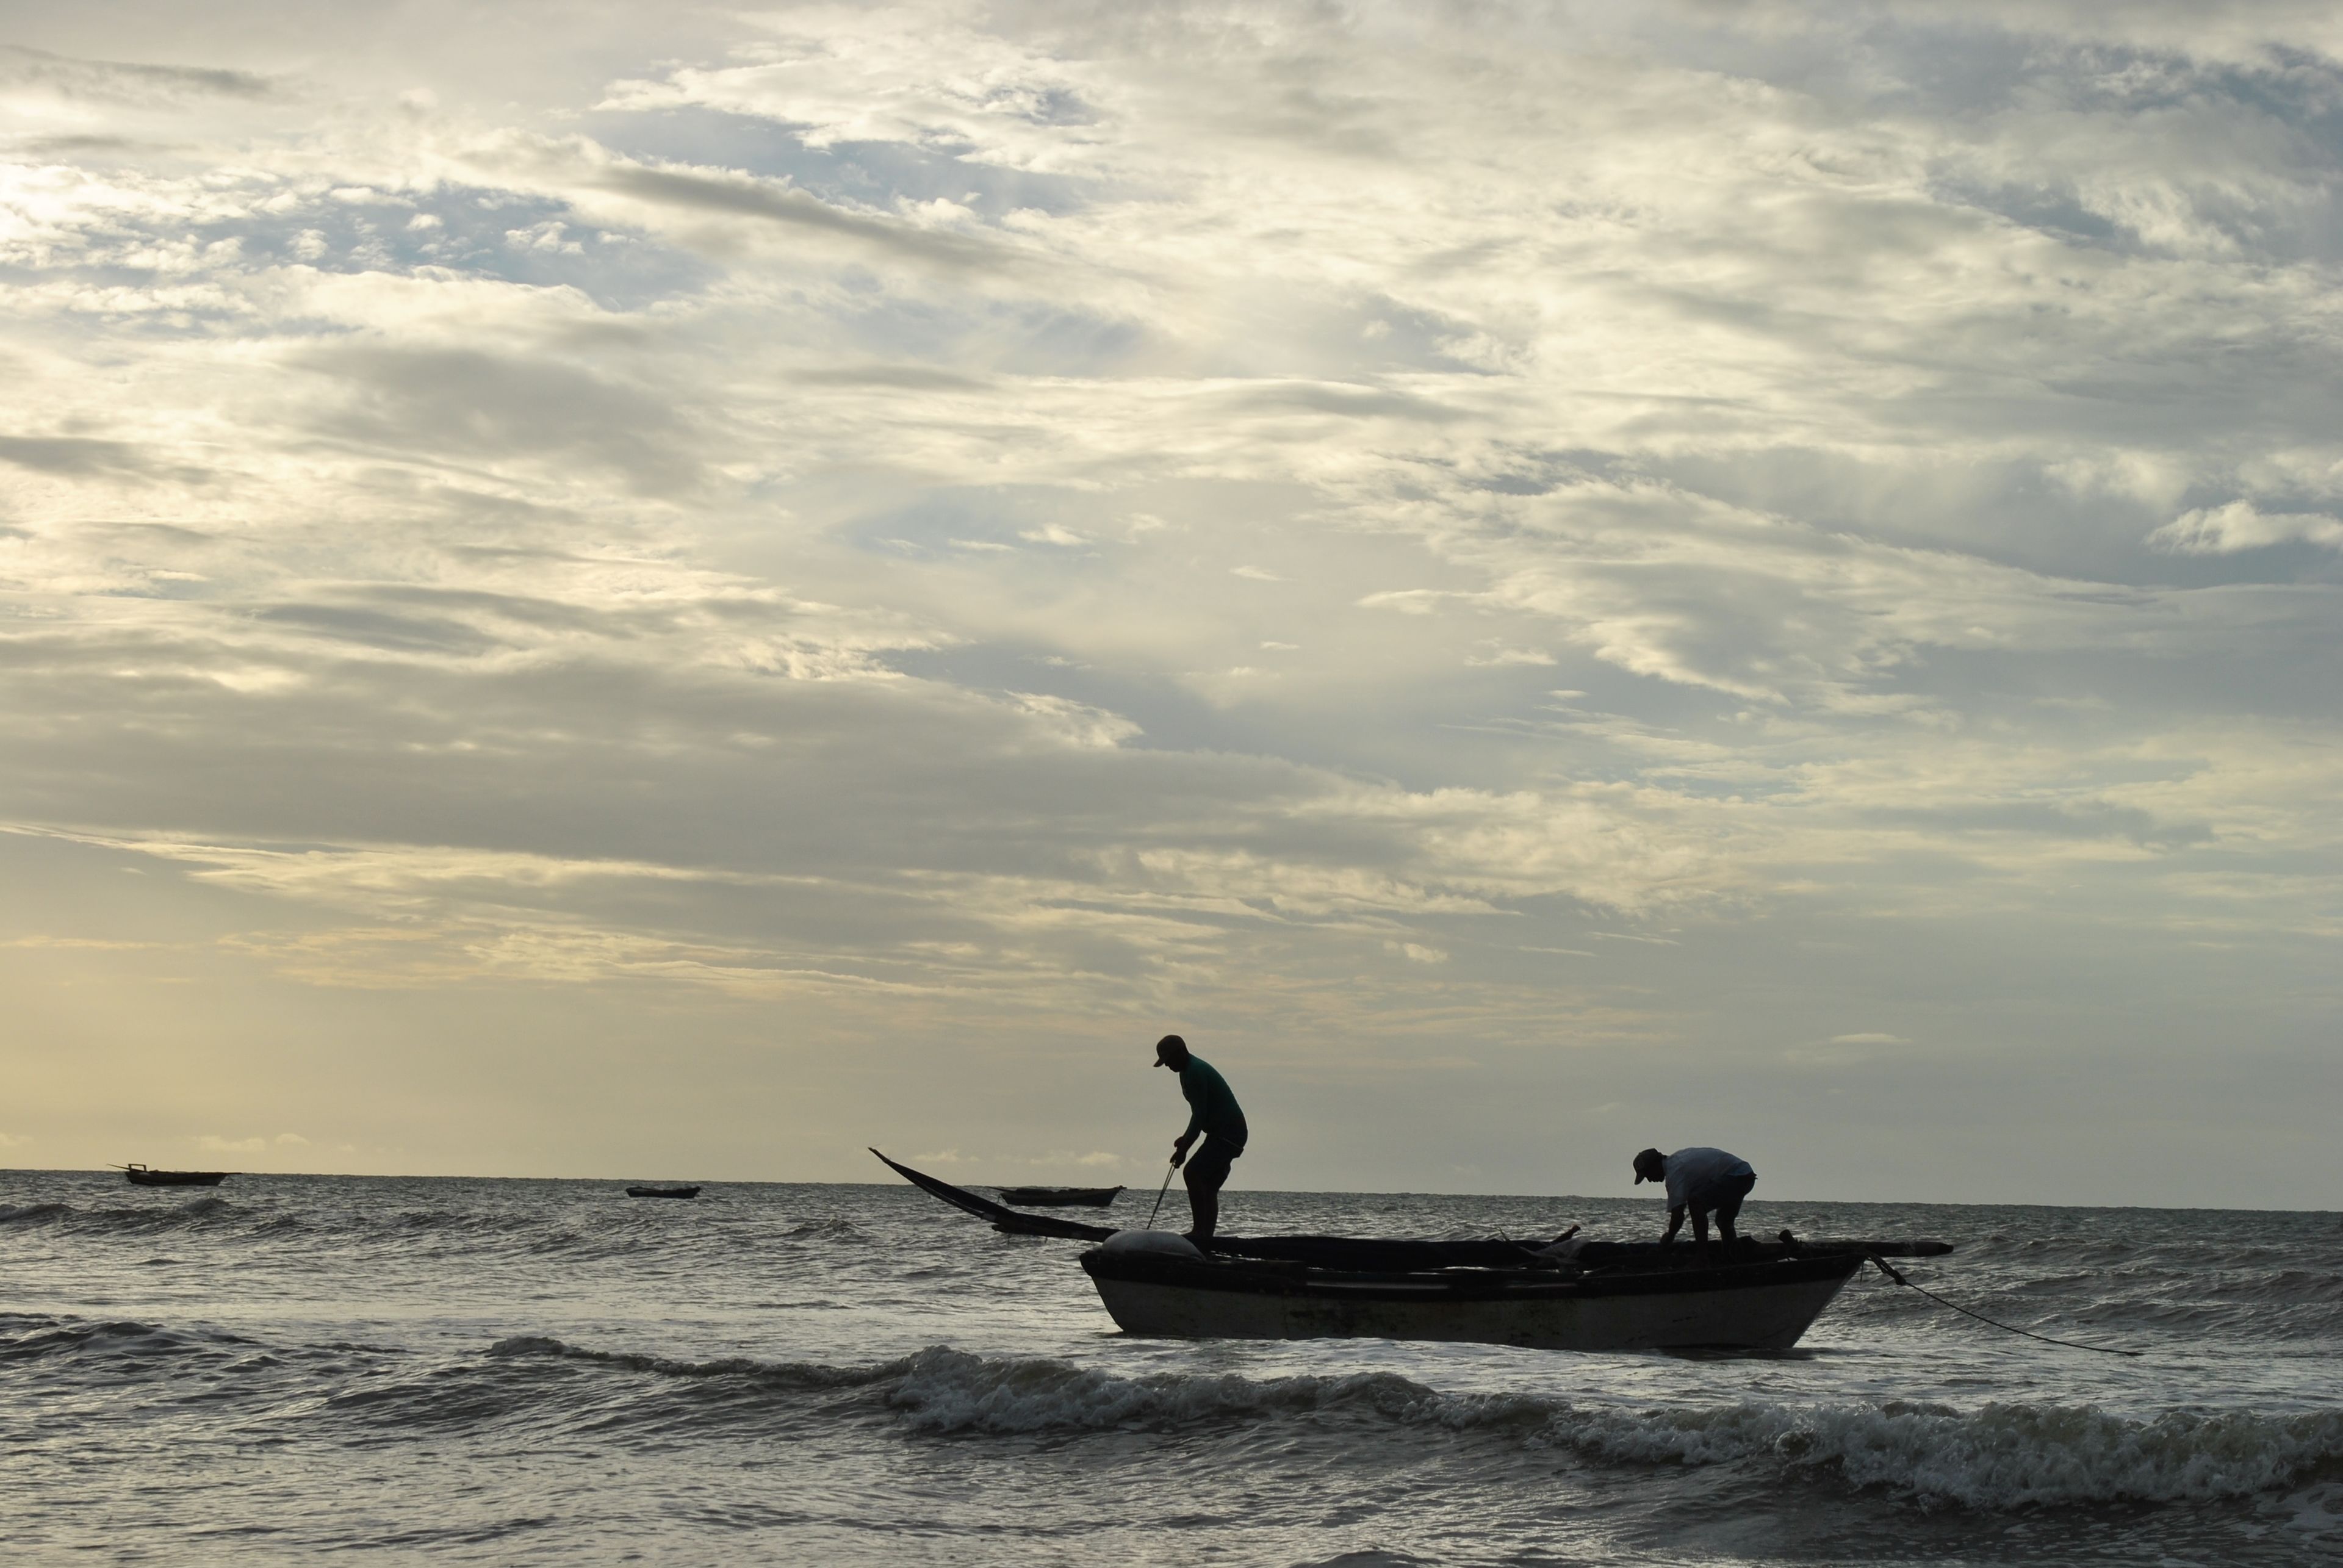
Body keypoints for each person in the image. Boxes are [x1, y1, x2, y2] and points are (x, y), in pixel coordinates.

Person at [1154, 1034, 1247, 1248]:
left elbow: (1200, 1115)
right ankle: (1206, 1239)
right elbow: (1199, 1114)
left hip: (1229, 1133)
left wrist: (1184, 1149)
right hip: (1224, 1133)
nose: (1167, 1065)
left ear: (1181, 1052)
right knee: (1209, 1186)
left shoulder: (1195, 1071)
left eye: (1168, 1059)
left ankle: (1199, 1231)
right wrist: (1185, 1138)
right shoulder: (1185, 1072)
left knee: (1192, 1173)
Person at [1633, 1145, 1755, 1259]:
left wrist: (1668, 1238)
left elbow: (1678, 1215)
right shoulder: (1676, 1161)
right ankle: (1731, 1255)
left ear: (1655, 1165)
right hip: (1745, 1174)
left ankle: (1702, 1259)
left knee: (1696, 1203)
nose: (1649, 1180)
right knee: (1723, 1221)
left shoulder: (1674, 1172)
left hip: (1737, 1176)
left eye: (1647, 1174)